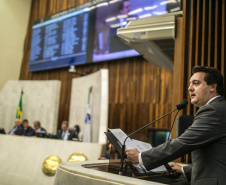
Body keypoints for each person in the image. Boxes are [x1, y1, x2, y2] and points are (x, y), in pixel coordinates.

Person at [125, 66, 226, 185]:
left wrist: (141, 157)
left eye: (196, 83)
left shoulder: (213, 111)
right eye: (190, 84)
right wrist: (184, 169)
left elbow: (183, 143)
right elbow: (217, 158)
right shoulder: (219, 108)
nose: (190, 88)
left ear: (213, 87)